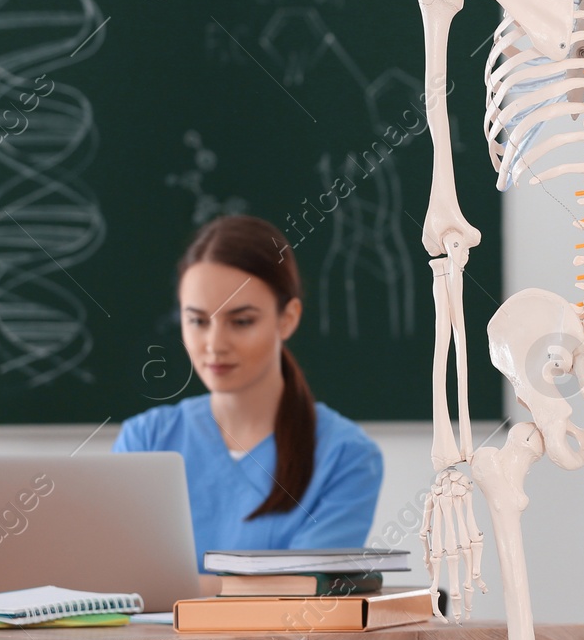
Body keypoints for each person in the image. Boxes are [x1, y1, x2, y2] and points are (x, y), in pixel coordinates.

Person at [113, 215, 384, 569]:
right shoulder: (145, 440)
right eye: (197, 321)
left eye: (241, 322)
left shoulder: (347, 457)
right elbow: (119, 575)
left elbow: (296, 593)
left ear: (287, 318)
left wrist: (182, 590)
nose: (214, 344)